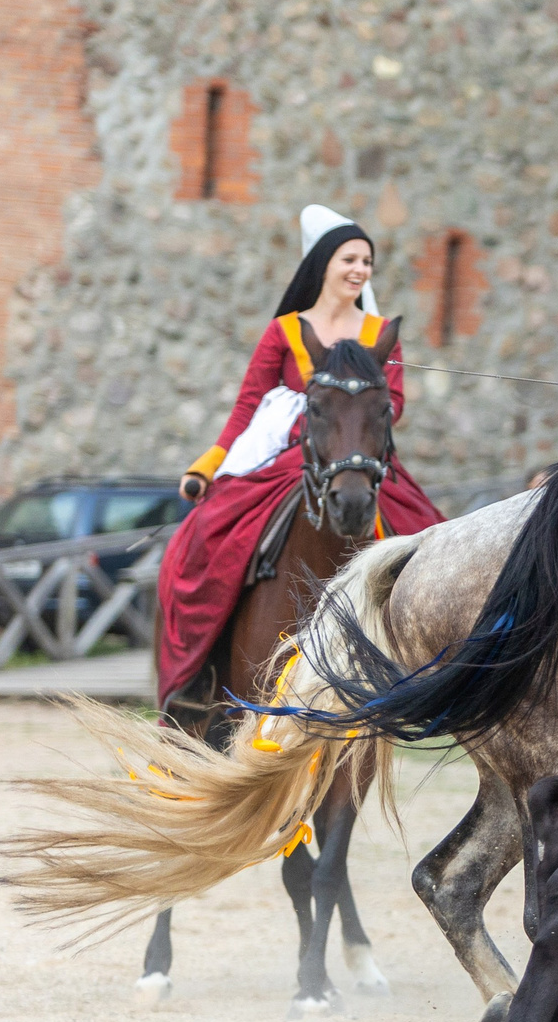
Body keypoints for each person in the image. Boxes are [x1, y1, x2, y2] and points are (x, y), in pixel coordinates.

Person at [153, 205, 444, 705]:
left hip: (364, 458)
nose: (359, 270)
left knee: (433, 541)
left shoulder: (379, 333)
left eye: (367, 262)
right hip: (292, 456)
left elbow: (392, 402)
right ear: (324, 264)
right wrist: (210, 463)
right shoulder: (286, 330)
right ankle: (196, 673)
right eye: (349, 259)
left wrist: (357, 403)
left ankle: (434, 671)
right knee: (205, 536)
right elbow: (249, 401)